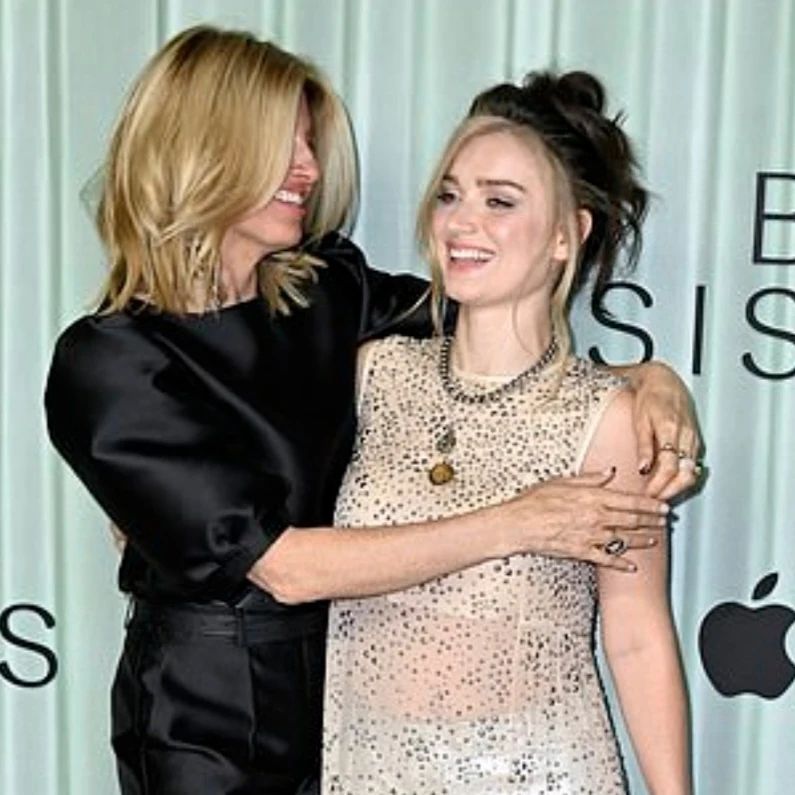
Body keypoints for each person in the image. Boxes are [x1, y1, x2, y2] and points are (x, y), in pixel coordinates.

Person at [45, 26, 696, 795]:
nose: (310, 168)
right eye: (285, 144)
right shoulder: (113, 361)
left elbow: (495, 339)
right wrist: (520, 521)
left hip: (352, 708)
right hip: (209, 722)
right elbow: (283, 566)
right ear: (204, 148)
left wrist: (647, 378)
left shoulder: (326, 293)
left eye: (309, 143)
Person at [322, 71, 691, 793]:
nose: (462, 223)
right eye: (450, 195)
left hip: (537, 773)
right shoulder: (374, 374)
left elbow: (637, 635)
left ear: (566, 235)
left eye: (500, 201)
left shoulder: (609, 419)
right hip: (367, 768)